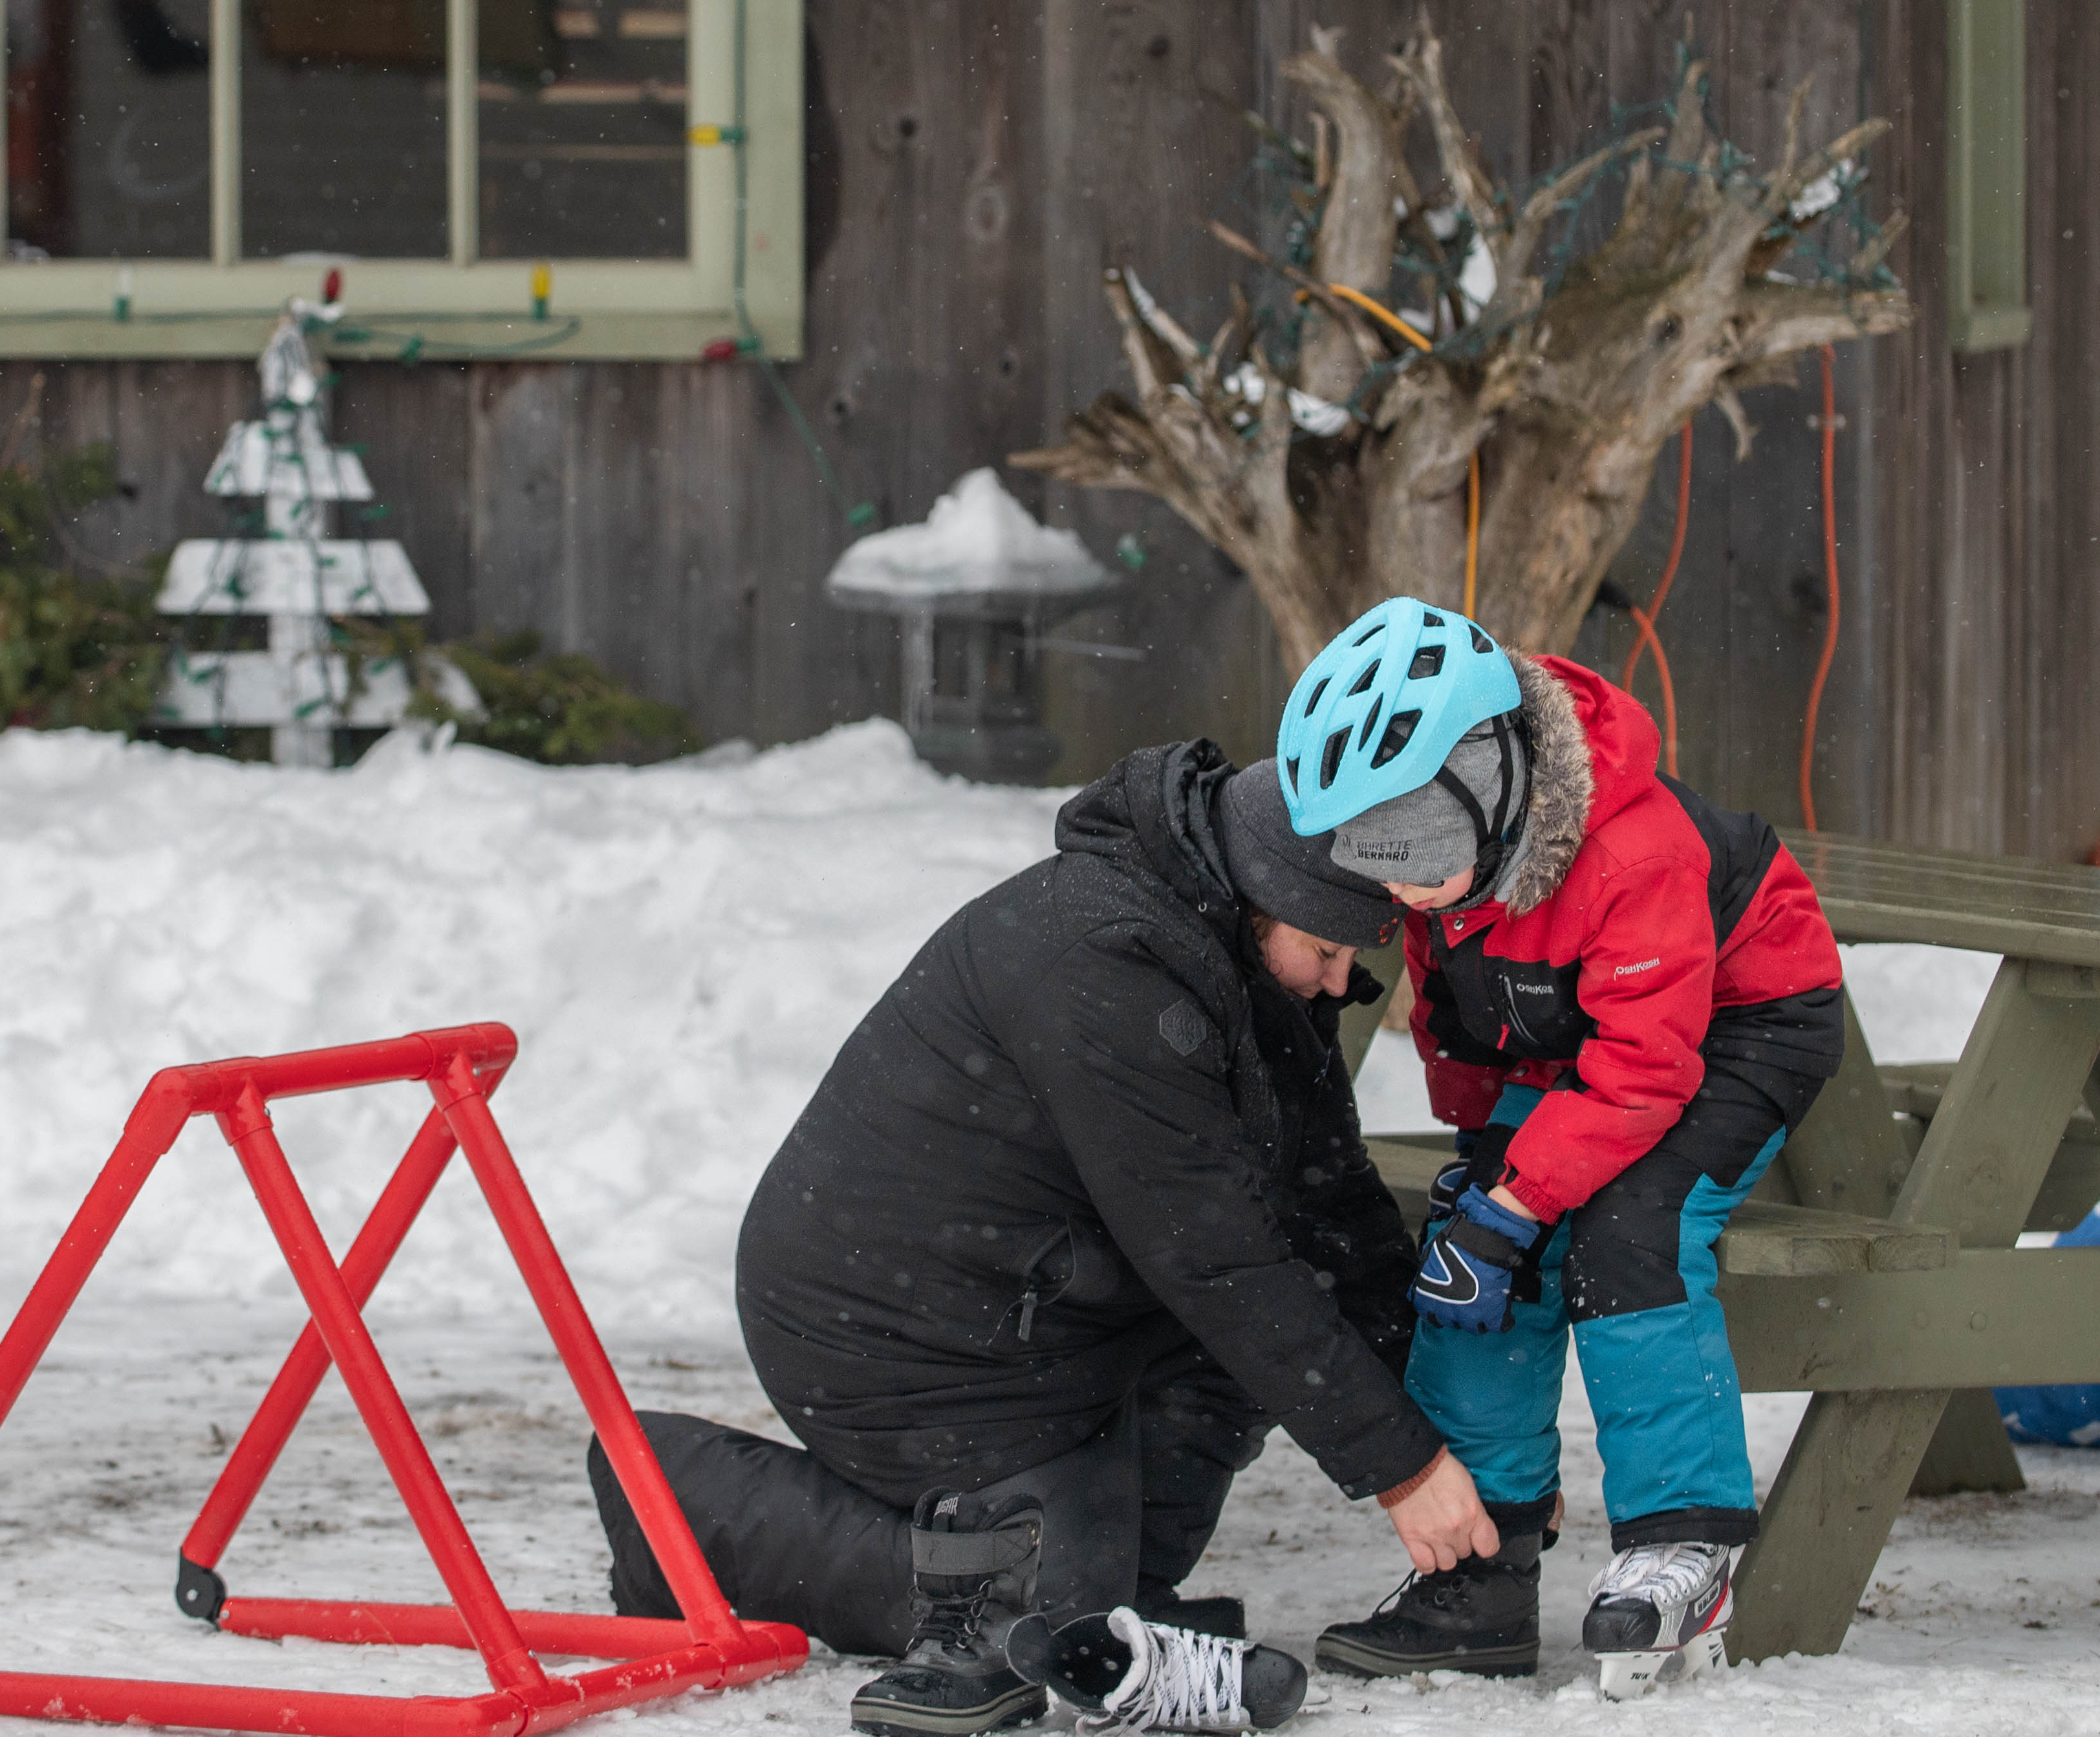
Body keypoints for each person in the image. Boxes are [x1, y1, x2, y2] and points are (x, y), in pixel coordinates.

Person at [586, 736, 1488, 1735]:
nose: (1335, 980)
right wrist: (1404, 1468)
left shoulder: (1247, 954)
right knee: (1051, 1620)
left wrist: (1458, 1434)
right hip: (885, 1330)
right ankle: (674, 1507)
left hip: (1036, 1299)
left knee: (1230, 1402)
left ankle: (1087, 1576)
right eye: (1325, 951)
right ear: (1263, 895)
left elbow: (1330, 1203)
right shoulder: (1108, 959)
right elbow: (1215, 1258)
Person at [1272, 596, 1845, 1698]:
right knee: (1471, 1257)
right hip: (1577, 1035)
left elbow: (1647, 1070)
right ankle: (1481, 1575)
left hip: (1735, 1028)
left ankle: (1683, 1543)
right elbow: (1460, 1022)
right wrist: (1490, 1182)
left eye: (1412, 849)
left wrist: (1526, 1199)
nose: (1397, 887)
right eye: (1370, 856)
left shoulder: (1633, 854)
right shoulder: (1447, 872)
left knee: (1630, 1232)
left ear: (1488, 787)